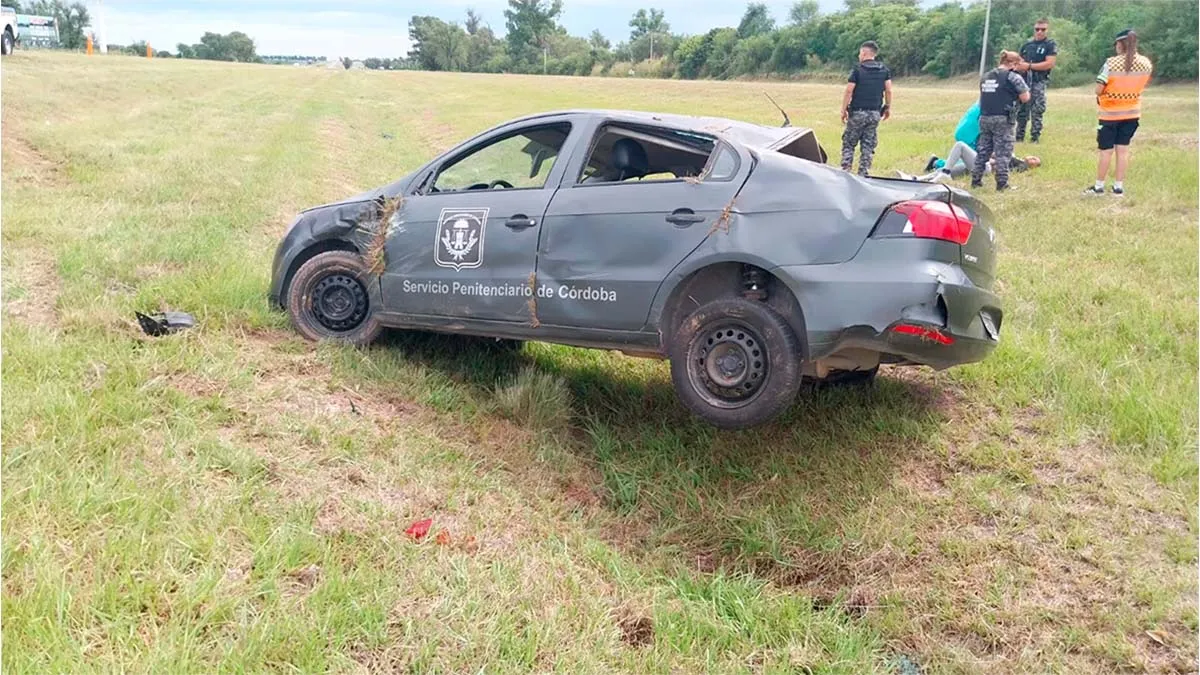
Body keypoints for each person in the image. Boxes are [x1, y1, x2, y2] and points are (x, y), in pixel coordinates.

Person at [1086, 29, 1153, 196]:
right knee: (1123, 150)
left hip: (1110, 114)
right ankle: (1118, 187)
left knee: (1106, 150)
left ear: (1120, 44)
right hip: (1132, 113)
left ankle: (1099, 187)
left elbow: (1099, 89)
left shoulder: (1111, 63)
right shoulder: (1146, 63)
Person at [972, 50, 1030, 192]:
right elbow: (1025, 97)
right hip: (1003, 118)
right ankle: (1002, 183)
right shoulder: (1012, 77)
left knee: (983, 150)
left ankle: (976, 179)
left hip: (985, 117)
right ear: (1013, 64)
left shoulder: (985, 76)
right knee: (1003, 152)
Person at [840, 40, 892, 177]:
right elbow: (889, 90)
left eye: (860, 53)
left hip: (858, 112)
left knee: (849, 143)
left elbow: (849, 91)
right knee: (868, 145)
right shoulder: (884, 70)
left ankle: (845, 172)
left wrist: (843, 109)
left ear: (863, 53)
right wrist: (887, 107)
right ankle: (863, 174)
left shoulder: (857, 70)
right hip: (875, 113)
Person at [1015, 18, 1057, 143]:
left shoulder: (1049, 45)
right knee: (1022, 109)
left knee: (1037, 109)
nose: (1039, 32)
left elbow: (1049, 63)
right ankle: (1019, 136)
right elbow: (1019, 62)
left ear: (1047, 30)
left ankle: (1035, 137)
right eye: (1037, 29)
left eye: (1043, 29)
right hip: (1024, 80)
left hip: (1039, 80)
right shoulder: (1027, 45)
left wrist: (1029, 66)